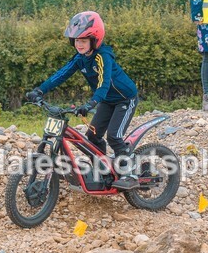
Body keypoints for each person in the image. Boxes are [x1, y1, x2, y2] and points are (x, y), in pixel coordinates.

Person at [25, 11, 140, 190]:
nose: (79, 44)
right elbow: (61, 74)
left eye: (83, 41)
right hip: (107, 101)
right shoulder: (80, 58)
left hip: (125, 100)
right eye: (76, 40)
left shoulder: (103, 56)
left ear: (95, 40)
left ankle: (130, 173)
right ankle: (105, 169)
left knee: (114, 136)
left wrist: (92, 103)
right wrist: (40, 90)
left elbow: (103, 83)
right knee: (92, 136)